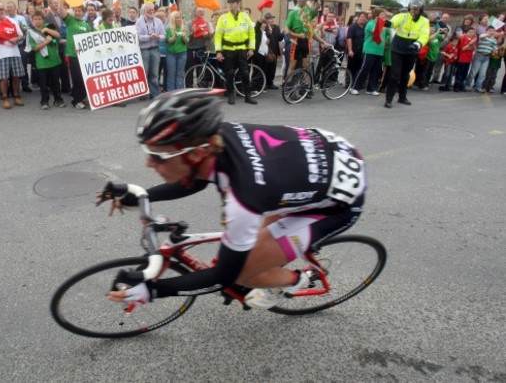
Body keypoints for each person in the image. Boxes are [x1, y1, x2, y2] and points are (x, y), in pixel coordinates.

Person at [99, 89, 366, 310]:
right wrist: (138, 197)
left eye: (157, 156)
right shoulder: (215, 138)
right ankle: (271, 263)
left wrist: (154, 290)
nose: (147, 162)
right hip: (322, 158)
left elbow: (223, 276)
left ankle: (297, 279)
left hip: (337, 204)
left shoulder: (243, 200)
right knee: (258, 240)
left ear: (193, 154)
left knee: (242, 272)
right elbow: (193, 181)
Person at [384, 0, 429, 108]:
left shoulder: (424, 21)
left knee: (405, 75)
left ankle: (402, 97)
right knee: (395, 75)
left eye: (416, 9)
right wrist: (389, 23)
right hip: (398, 48)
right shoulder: (403, 16)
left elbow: (424, 35)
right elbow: (395, 21)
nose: (413, 11)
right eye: (412, 9)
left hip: (412, 49)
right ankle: (388, 99)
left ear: (421, 10)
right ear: (409, 8)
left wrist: (418, 44)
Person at [214, 0, 257, 105]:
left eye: (233, 2)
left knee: (245, 73)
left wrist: (251, 48)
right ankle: (231, 95)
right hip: (228, 50)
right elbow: (218, 36)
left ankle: (248, 96)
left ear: (238, 4)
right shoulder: (223, 18)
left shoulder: (245, 17)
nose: (230, 4)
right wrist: (218, 51)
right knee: (230, 73)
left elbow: (252, 33)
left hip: (242, 49)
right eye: (229, 3)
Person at [26, 10, 66, 109]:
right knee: (43, 84)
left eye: (40, 19)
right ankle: (44, 101)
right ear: (32, 21)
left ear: (43, 20)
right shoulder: (31, 32)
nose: (38, 21)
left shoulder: (49, 26)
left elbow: (57, 35)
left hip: (54, 59)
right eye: (36, 19)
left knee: (56, 82)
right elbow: (34, 48)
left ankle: (58, 100)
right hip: (42, 62)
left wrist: (47, 30)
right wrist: (45, 42)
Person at [0, 2, 26, 109]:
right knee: (3, 78)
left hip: (14, 53)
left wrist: (17, 38)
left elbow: (21, 35)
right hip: (0, 55)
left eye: (1, 9)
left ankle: (16, 96)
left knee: (16, 77)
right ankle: (5, 99)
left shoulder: (13, 21)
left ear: (4, 10)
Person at [59, 0, 93, 109]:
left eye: (80, 11)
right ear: (73, 11)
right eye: (76, 10)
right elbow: (60, 10)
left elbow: (90, 40)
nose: (78, 12)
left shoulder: (86, 25)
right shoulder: (70, 21)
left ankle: (82, 97)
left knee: (83, 78)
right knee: (76, 78)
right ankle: (76, 100)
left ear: (83, 12)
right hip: (72, 55)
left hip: (83, 56)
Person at [283, 0, 320, 78]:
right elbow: (286, 28)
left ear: (306, 0)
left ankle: (305, 86)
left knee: (306, 65)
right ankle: (288, 84)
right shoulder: (293, 13)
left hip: (306, 41)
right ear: (298, 0)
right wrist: (293, 36)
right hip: (296, 41)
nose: (301, 1)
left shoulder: (309, 11)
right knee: (292, 65)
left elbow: (318, 4)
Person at [350, 9, 386, 96]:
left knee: (376, 70)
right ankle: (354, 87)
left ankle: (371, 89)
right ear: (377, 16)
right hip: (370, 50)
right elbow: (376, 32)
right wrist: (383, 27)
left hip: (379, 51)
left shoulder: (384, 25)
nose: (384, 17)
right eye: (383, 15)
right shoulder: (370, 24)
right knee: (364, 69)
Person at [135, 2, 165, 99]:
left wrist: (158, 37)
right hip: (144, 50)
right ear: (144, 10)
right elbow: (138, 37)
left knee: (154, 73)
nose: (151, 11)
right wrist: (149, 37)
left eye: (153, 9)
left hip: (155, 49)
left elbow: (164, 36)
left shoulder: (158, 21)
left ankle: (154, 93)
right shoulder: (139, 22)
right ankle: (143, 94)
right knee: (144, 72)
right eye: (149, 10)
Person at [464, 26, 498, 92]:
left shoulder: (494, 40)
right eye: (490, 30)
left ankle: (478, 87)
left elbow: (495, 48)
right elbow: (481, 37)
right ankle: (467, 85)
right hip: (479, 55)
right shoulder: (483, 35)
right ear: (486, 31)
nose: (492, 32)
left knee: (482, 74)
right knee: (473, 72)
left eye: (493, 31)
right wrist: (488, 34)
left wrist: (496, 51)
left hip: (487, 57)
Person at [165, 10, 189, 91]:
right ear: (172, 19)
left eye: (180, 18)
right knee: (171, 74)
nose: (179, 19)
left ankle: (179, 92)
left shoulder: (184, 28)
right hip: (171, 54)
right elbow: (169, 41)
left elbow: (187, 41)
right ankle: (171, 92)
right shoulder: (169, 28)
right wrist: (175, 36)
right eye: (177, 18)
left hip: (182, 53)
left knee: (180, 74)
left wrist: (184, 37)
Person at [346, 11, 367, 80]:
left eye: (364, 17)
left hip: (362, 51)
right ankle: (348, 83)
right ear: (358, 17)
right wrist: (350, 50)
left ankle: (356, 83)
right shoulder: (353, 27)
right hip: (353, 51)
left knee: (359, 68)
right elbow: (349, 38)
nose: (363, 19)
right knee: (351, 68)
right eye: (362, 17)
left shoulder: (366, 27)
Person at [454, 27, 476, 92]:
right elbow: (463, 49)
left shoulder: (472, 39)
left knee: (465, 73)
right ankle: (457, 86)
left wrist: (472, 43)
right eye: (470, 32)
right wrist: (470, 44)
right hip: (462, 58)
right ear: (466, 33)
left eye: (472, 32)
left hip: (468, 59)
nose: (471, 33)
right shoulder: (463, 38)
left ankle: (461, 85)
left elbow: (474, 49)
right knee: (459, 73)